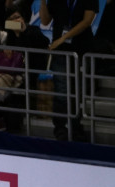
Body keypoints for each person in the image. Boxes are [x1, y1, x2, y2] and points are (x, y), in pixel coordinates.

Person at [39, 0, 98, 141]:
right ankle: (60, 128)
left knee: (77, 91)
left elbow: (87, 21)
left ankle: (76, 127)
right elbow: (45, 20)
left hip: (81, 49)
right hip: (60, 51)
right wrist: (43, 2)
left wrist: (64, 37)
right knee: (61, 91)